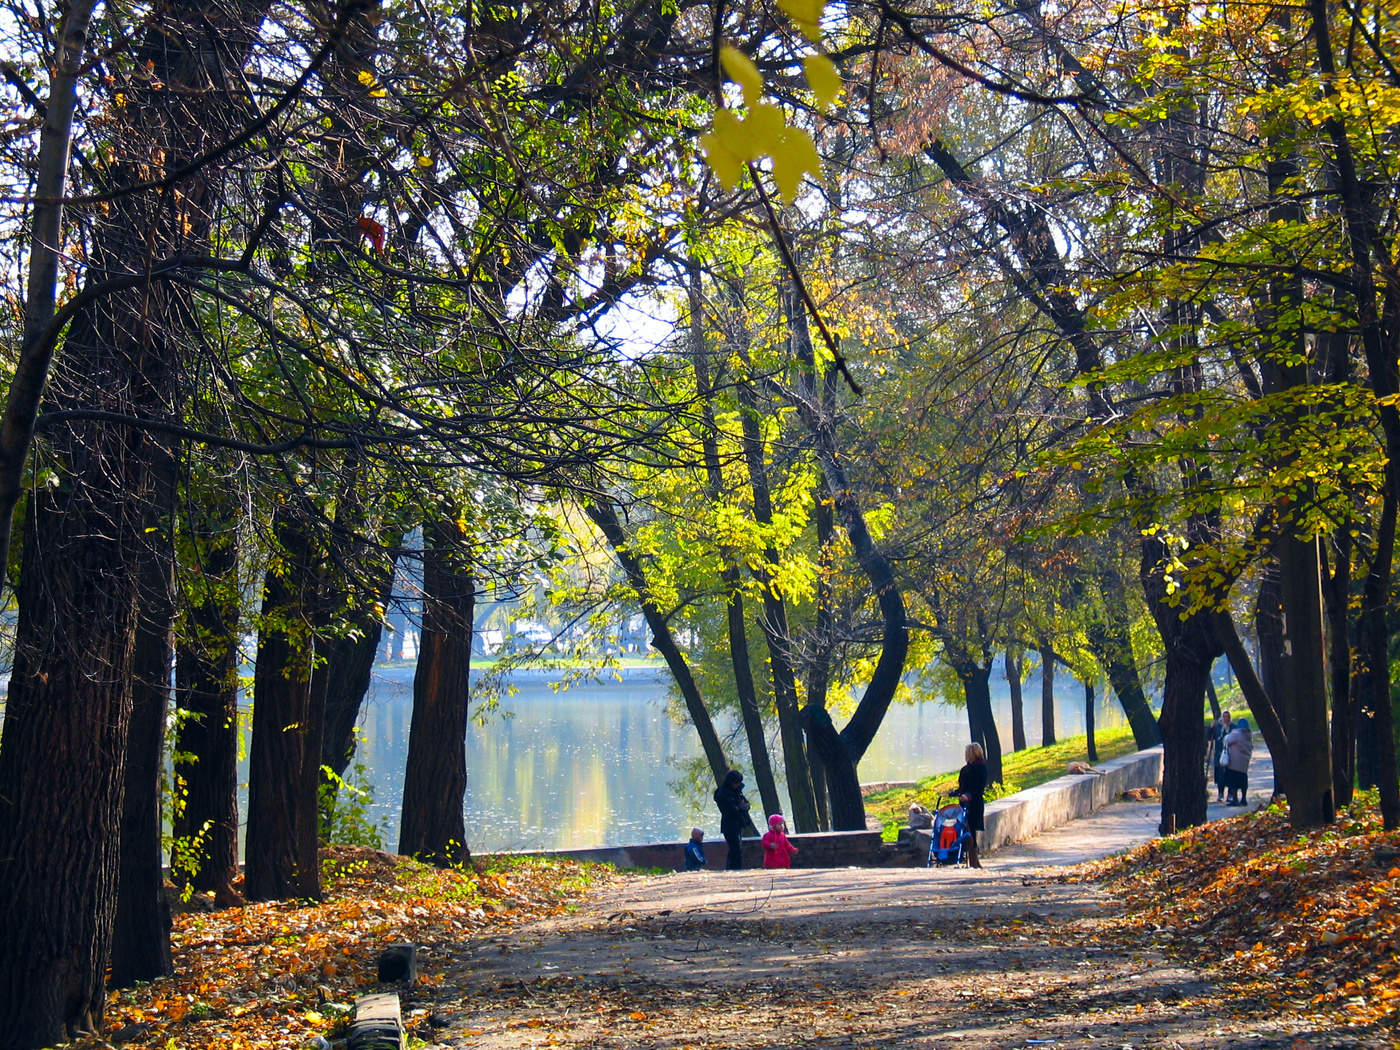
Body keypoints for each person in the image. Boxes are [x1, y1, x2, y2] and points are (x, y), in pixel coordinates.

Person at [958, 742, 988, 869]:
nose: (966, 755)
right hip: (964, 803)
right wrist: (957, 793)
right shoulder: (965, 769)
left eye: (968, 753)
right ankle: (972, 860)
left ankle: (974, 859)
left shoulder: (980, 768)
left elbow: (978, 787)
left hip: (974, 803)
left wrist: (968, 796)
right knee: (967, 831)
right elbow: (962, 786)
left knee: (971, 831)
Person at [713, 769, 750, 870]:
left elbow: (746, 804)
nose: (738, 785)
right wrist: (739, 806)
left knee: (737, 848)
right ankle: (733, 868)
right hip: (729, 825)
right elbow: (730, 810)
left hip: (738, 823)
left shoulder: (737, 791)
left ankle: (735, 868)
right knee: (735, 849)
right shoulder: (722, 793)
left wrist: (742, 806)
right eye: (736, 783)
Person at [1223, 718, 1254, 806]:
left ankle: (1235, 799)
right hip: (1244, 764)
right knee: (1243, 781)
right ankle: (1243, 799)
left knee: (1233, 782)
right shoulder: (1249, 736)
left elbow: (1226, 740)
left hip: (1234, 763)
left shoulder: (1236, 733)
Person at [1209, 710, 1233, 803]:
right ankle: (1220, 794)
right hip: (1219, 755)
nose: (1226, 719)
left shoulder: (1233, 727)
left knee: (1230, 775)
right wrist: (1211, 728)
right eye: (1224, 717)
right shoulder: (1217, 727)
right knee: (1220, 776)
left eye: (1228, 717)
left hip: (1230, 754)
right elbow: (1209, 737)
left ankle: (1230, 794)